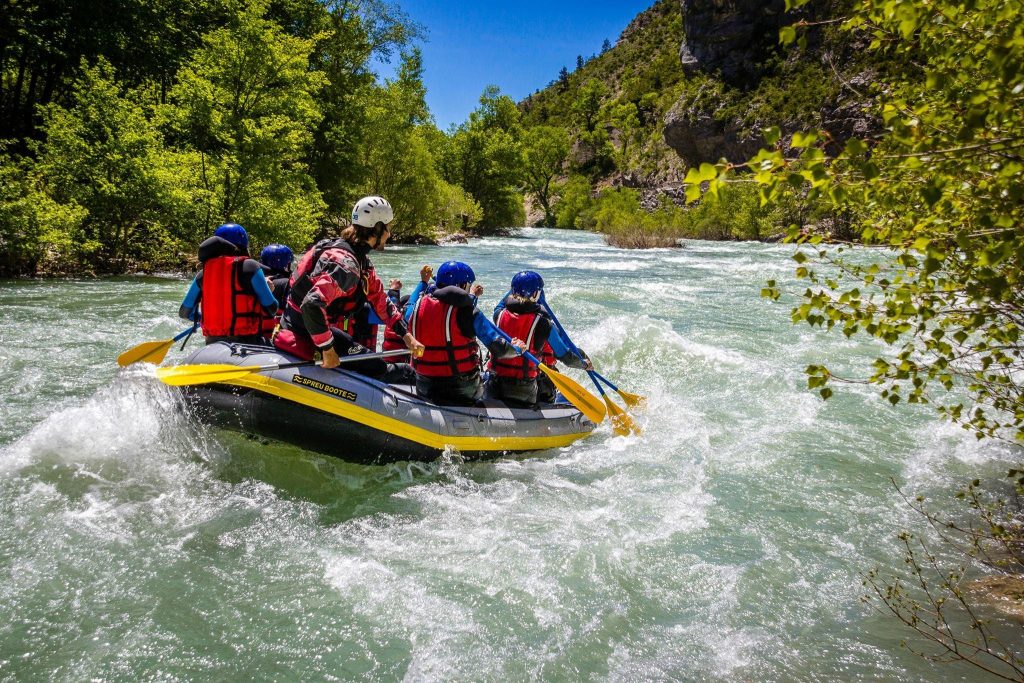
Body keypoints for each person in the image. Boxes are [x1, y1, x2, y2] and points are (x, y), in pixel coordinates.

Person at [273, 196, 424, 376]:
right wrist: (328, 349)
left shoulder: (357, 260)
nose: (389, 234)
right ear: (377, 228)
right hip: (306, 332)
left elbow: (380, 300)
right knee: (388, 369)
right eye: (388, 228)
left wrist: (407, 337)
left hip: (301, 326)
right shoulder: (346, 266)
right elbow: (312, 304)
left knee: (367, 357)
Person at [406, 260, 524, 405]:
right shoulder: (470, 312)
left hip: (424, 384)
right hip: (462, 389)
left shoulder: (416, 308)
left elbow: (409, 307)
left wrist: (423, 283)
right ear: (462, 286)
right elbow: (500, 349)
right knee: (488, 380)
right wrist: (518, 349)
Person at [490, 270, 592, 406]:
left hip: (494, 384)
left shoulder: (499, 314)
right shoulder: (543, 324)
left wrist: (516, 287)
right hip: (524, 391)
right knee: (545, 381)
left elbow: (502, 303)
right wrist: (584, 364)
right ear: (535, 294)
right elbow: (565, 357)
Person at [179, 223, 278, 345]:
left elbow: (184, 313)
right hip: (249, 343)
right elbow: (272, 308)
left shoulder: (203, 273)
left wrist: (203, 319)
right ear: (244, 245)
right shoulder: (250, 266)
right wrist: (269, 289)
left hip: (212, 343)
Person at [259, 243, 293, 336]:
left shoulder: (256, 279)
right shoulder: (287, 283)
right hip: (280, 335)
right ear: (286, 264)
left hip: (257, 333)